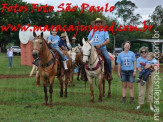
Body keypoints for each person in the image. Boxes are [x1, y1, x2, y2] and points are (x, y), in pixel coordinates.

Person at [136, 46, 155, 111]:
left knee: (150, 91)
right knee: (141, 91)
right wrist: (142, 70)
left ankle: (150, 105)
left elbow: (156, 65)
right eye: (142, 52)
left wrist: (150, 66)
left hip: (150, 76)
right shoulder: (138, 59)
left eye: (145, 51)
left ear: (147, 52)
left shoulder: (151, 58)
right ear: (140, 53)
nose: (144, 53)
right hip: (142, 76)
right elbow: (138, 68)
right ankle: (140, 104)